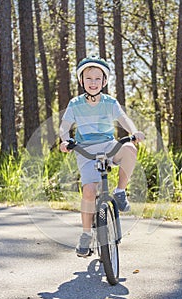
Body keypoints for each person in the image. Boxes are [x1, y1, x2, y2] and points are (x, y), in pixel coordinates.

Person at [60, 56, 145, 257]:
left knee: (130, 150)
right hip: (85, 150)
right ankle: (86, 235)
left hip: (108, 145)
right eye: (88, 78)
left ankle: (120, 191)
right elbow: (64, 127)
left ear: (104, 82)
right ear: (82, 81)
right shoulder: (75, 103)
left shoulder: (110, 102)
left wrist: (134, 132)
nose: (93, 82)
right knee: (89, 191)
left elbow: (124, 119)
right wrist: (65, 141)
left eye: (98, 79)